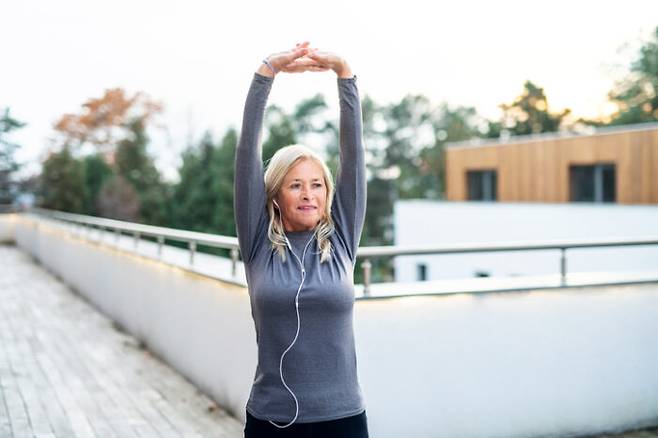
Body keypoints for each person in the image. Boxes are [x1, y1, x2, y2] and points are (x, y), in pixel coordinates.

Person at [234, 41, 370, 438]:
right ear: (275, 194)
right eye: (295, 185)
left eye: (317, 185)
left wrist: (345, 74)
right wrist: (265, 74)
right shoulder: (258, 244)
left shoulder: (342, 240)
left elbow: (355, 156)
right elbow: (246, 154)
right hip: (272, 420)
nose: (308, 194)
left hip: (343, 419)